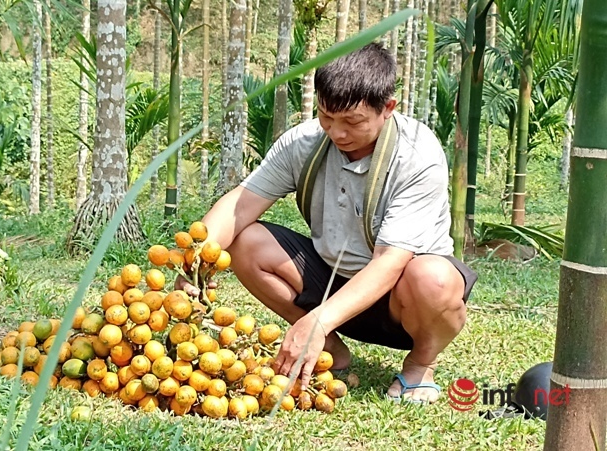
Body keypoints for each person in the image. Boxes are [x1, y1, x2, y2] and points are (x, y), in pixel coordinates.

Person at [179, 42, 477, 404]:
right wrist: (193, 263)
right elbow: (240, 206)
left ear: (388, 109)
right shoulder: (303, 143)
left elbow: (390, 262)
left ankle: (419, 366)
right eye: (326, 116)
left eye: (352, 122)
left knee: (434, 278)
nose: (336, 132)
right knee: (245, 240)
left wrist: (317, 320)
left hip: (406, 303)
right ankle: (330, 351)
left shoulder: (416, 155)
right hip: (331, 280)